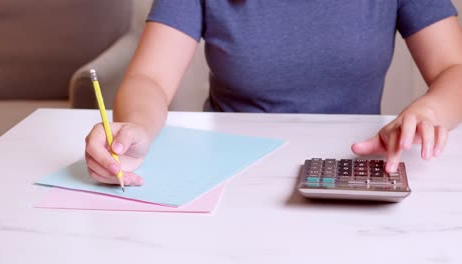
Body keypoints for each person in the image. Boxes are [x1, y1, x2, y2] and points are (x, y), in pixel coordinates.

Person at [85, 1, 462, 186]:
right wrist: (135, 128)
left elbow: (454, 70)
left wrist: (432, 111)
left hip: (352, 172)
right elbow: (150, 78)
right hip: (230, 178)